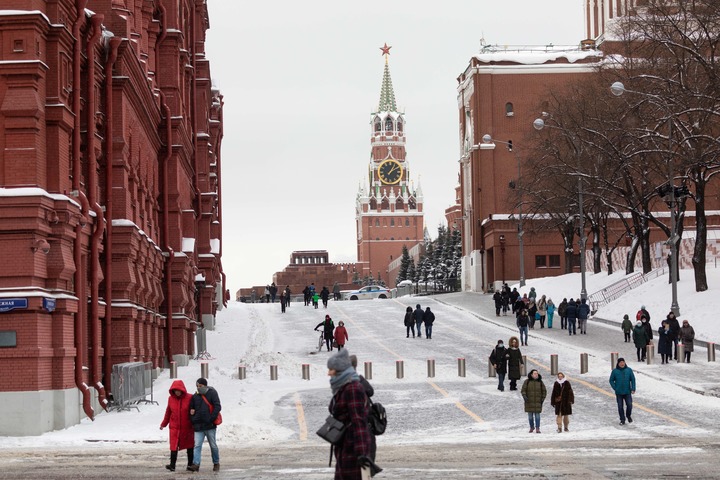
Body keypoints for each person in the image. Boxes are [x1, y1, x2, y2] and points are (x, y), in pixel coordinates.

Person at [326, 349, 375, 479]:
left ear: (340, 371)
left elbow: (359, 422)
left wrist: (362, 454)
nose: (329, 373)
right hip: (344, 447)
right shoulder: (343, 387)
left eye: (332, 369)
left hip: (353, 450)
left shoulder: (353, 388)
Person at [159, 379, 194, 472]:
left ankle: (190, 465)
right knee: (173, 446)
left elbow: (195, 409)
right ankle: (172, 465)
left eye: (179, 390)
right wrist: (164, 424)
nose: (177, 392)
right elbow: (168, 412)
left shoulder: (190, 397)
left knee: (190, 446)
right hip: (174, 427)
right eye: (175, 391)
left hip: (187, 427)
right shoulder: (171, 399)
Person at [188, 378, 221, 472]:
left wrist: (211, 419)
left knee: (213, 445)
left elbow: (217, 406)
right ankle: (196, 464)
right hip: (198, 426)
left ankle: (216, 462)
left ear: (205, 385)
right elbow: (191, 409)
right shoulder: (195, 396)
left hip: (210, 425)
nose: (198, 388)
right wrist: (193, 419)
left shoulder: (212, 393)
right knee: (197, 445)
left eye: (200, 386)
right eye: (197, 386)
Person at [350, 354, 377, 461]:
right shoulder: (360, 382)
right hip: (365, 433)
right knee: (366, 469)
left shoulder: (344, 386)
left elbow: (333, 409)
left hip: (350, 436)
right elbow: (370, 391)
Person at [609, 358, 636, 425]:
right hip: (619, 392)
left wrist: (633, 388)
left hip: (627, 391)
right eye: (620, 362)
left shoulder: (629, 370)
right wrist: (615, 388)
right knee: (620, 406)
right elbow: (611, 380)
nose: (622, 364)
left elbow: (633, 379)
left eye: (623, 362)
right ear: (618, 363)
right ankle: (622, 419)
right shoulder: (615, 371)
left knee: (629, 405)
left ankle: (628, 415)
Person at [521, 369, 546, 433]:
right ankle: (531, 427)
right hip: (529, 402)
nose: (536, 374)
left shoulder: (540, 382)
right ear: (531, 374)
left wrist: (542, 399)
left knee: (537, 416)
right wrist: (524, 396)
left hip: (538, 402)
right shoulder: (527, 381)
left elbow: (544, 391)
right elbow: (523, 390)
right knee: (530, 417)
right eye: (535, 373)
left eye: (537, 373)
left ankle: (537, 428)